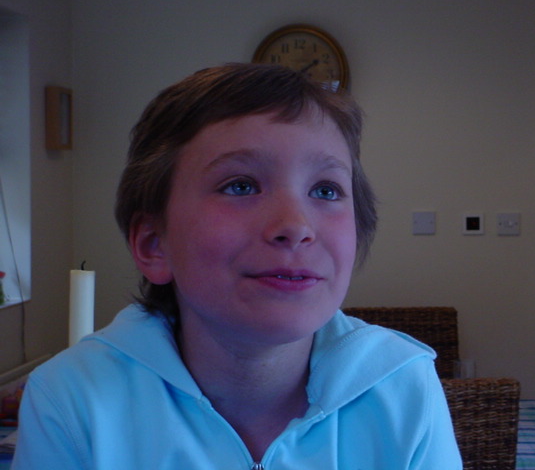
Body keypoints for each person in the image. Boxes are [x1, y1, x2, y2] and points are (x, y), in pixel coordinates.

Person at [12, 63, 461, 469]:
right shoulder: (72, 399)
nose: (296, 226)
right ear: (154, 244)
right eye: (241, 185)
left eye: (325, 190)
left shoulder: (404, 388)